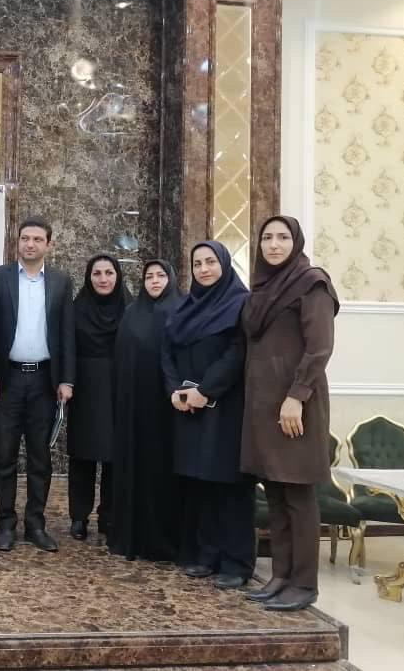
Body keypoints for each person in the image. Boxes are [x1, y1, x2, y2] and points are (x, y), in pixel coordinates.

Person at [241, 216, 339, 612]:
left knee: (298, 494)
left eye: (283, 237)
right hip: (264, 406)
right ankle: (281, 575)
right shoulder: (263, 287)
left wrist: (296, 396)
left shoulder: (312, 284)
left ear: (295, 242)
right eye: (267, 237)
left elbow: (319, 348)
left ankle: (304, 583)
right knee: (277, 493)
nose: (274, 244)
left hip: (296, 405)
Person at [163, 241, 254, 590]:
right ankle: (206, 554)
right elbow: (167, 351)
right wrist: (174, 390)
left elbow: (237, 352)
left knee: (227, 485)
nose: (203, 269)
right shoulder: (185, 306)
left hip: (225, 408)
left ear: (224, 265)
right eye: (197, 263)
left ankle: (235, 562)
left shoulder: (239, 303)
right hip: (187, 407)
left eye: (210, 262)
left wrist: (206, 390)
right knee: (198, 483)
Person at [0, 217, 75, 553]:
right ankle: (6, 524)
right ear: (17, 242)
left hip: (44, 381)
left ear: (49, 244)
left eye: (37, 239)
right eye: (25, 238)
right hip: (7, 380)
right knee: (4, 455)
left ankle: (36, 524)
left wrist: (66, 379)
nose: (30, 244)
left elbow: (67, 333)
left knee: (40, 458)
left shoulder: (61, 281)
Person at [107, 259, 183, 563]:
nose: (154, 281)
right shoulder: (131, 313)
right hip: (134, 409)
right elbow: (121, 359)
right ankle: (132, 537)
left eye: (161, 275)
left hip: (168, 410)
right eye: (149, 276)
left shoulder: (181, 310)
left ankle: (165, 543)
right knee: (135, 470)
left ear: (171, 279)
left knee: (163, 474)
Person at [67, 254, 131, 540]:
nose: (103, 279)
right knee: (82, 456)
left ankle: (110, 516)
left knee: (114, 456)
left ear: (117, 276)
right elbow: (66, 347)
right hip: (85, 389)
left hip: (120, 388)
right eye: (97, 273)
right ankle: (79, 517)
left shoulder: (130, 308)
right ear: (88, 277)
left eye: (109, 273)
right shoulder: (76, 309)